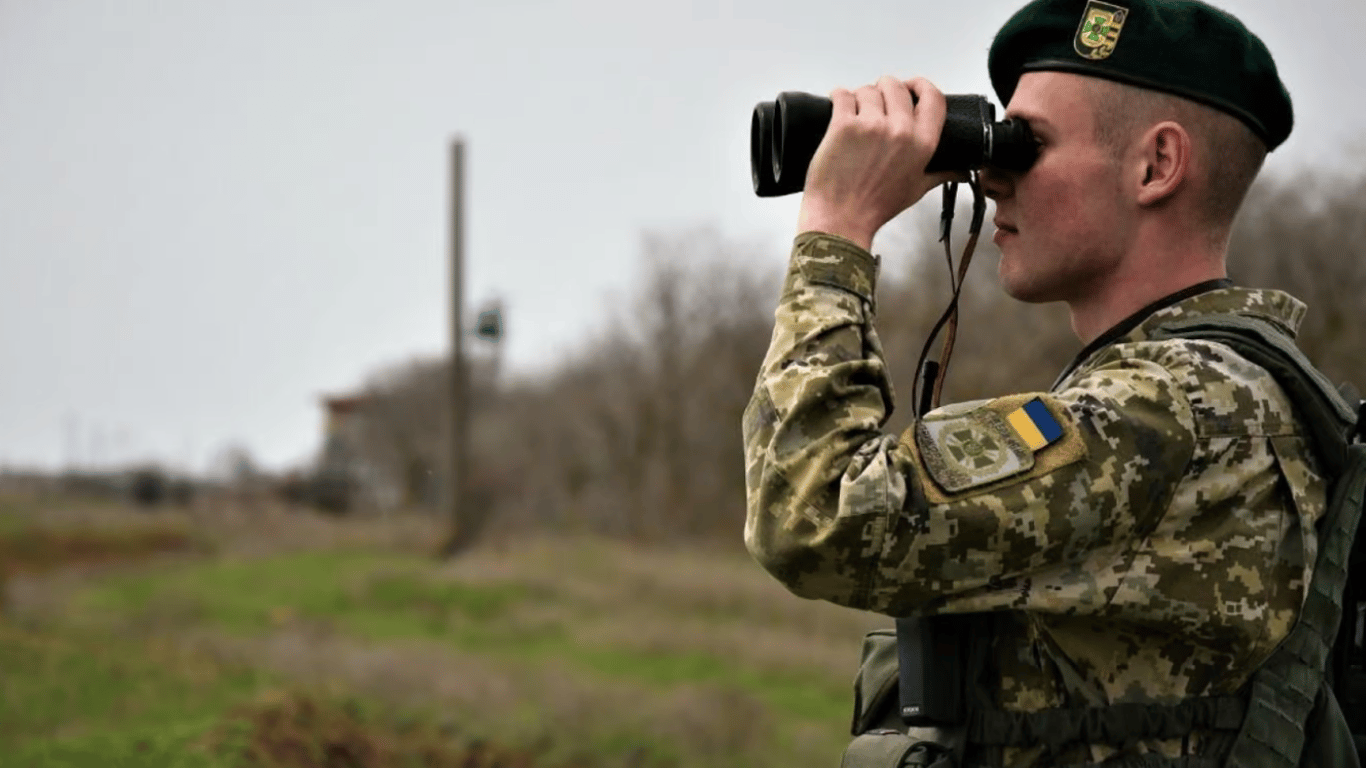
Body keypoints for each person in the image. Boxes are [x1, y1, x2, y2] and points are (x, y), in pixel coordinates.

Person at [741, 0, 1333, 765]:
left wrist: (837, 225)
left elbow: (815, 516)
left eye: (1029, 145)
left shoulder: (1173, 409)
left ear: (1156, 166)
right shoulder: (1227, 392)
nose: (991, 178)